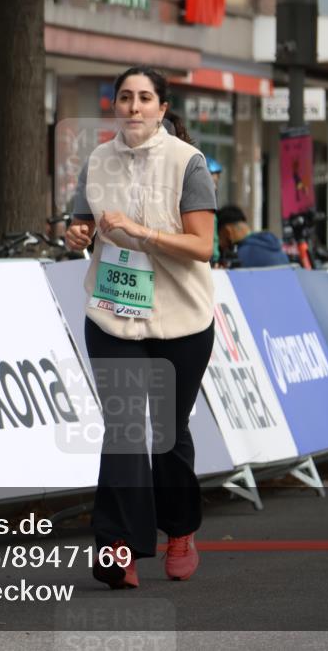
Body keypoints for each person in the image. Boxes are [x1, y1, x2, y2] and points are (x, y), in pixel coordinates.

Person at [65, 66, 216, 589]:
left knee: (168, 434)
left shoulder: (187, 163)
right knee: (125, 429)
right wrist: (77, 232)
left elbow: (203, 246)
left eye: (145, 97)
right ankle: (117, 548)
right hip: (113, 314)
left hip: (181, 320)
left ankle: (179, 530)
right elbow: (80, 225)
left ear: (162, 107)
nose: (134, 106)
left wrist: (142, 233)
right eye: (125, 97)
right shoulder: (98, 160)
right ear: (115, 106)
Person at [216, 204, 289, 268]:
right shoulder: (278, 249)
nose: (221, 244)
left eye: (219, 237)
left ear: (227, 232)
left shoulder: (240, 257)